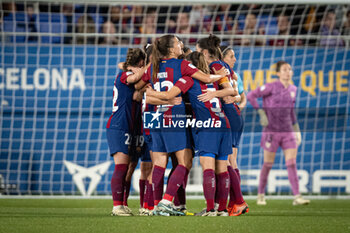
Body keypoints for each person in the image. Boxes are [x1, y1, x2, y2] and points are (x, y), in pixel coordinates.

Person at [138, 34, 227, 216]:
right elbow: (207, 79)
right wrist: (223, 75)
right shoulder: (183, 65)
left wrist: (153, 94)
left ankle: (152, 206)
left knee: (160, 162)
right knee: (185, 162)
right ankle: (166, 201)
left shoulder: (153, 67)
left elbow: (139, 89)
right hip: (174, 118)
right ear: (171, 49)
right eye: (179, 43)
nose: (182, 45)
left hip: (156, 118)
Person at [247, 61, 310, 206]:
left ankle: (297, 197)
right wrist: (261, 112)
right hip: (271, 131)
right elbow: (251, 95)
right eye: (284, 69)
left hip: (288, 131)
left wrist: (297, 130)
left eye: (289, 69)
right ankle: (261, 195)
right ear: (278, 73)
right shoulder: (271, 86)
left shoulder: (294, 89)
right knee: (268, 164)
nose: (288, 72)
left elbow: (291, 111)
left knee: (292, 163)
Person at [107, 48, 147, 216]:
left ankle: (123, 203)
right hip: (119, 125)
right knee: (121, 166)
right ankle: (117, 206)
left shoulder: (130, 72)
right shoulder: (123, 76)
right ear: (140, 63)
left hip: (134, 126)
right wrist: (152, 65)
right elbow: (135, 80)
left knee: (130, 167)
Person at [220, 45, 249, 216]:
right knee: (233, 160)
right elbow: (239, 96)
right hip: (233, 116)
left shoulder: (232, 75)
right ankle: (234, 201)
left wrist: (237, 102)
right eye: (231, 56)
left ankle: (238, 201)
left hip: (231, 117)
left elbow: (242, 98)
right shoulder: (229, 74)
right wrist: (237, 100)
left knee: (229, 160)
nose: (235, 59)